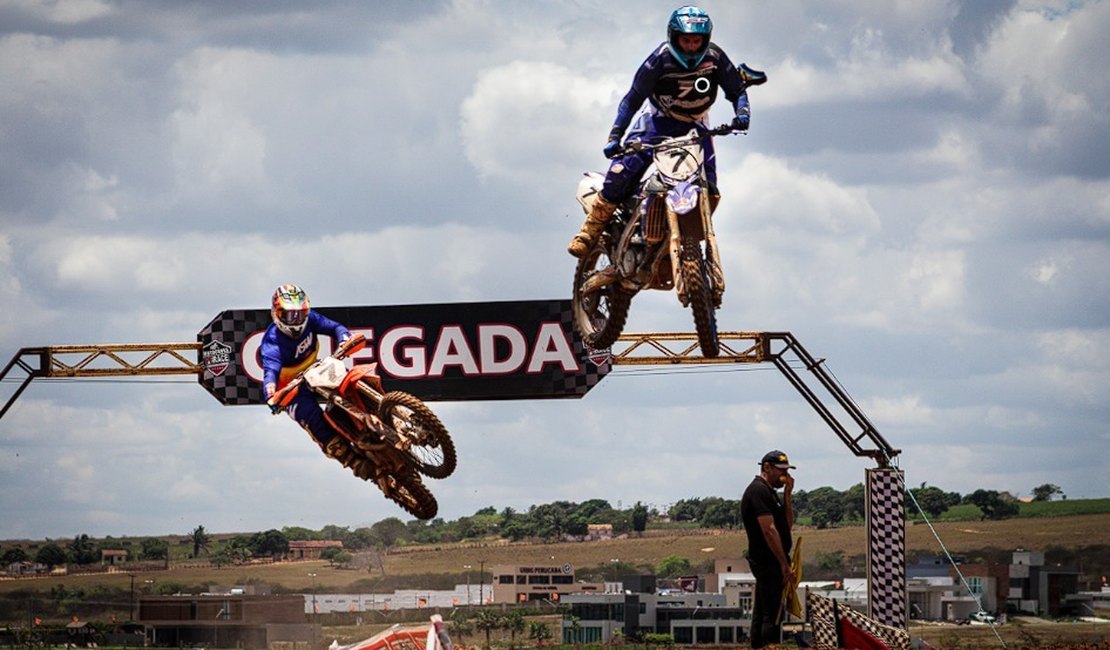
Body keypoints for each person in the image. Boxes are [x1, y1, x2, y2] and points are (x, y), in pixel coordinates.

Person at [567, 5, 765, 258]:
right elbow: (632, 100)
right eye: (686, 40)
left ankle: (686, 237)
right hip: (657, 122)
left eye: (696, 41)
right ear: (673, 37)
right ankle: (590, 231)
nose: (692, 46)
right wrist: (614, 136)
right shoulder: (658, 60)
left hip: (696, 125)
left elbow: (736, 90)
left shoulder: (715, 58)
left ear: (706, 39)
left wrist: (743, 114)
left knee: (711, 188)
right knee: (622, 170)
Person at [260, 284, 375, 480]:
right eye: (289, 315)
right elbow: (270, 373)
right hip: (290, 388)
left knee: (351, 378)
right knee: (313, 419)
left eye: (300, 313)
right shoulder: (272, 343)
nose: (296, 320)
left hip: (316, 369)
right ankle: (353, 461)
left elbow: (335, 327)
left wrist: (344, 340)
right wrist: (272, 396)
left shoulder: (312, 319)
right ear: (276, 314)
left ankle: (382, 408)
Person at [740, 450, 797, 649]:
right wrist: (783, 564)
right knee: (772, 612)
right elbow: (769, 530)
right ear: (767, 468)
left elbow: (785, 526)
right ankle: (768, 644)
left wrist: (787, 495)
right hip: (767, 559)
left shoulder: (770, 492)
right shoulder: (758, 491)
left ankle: (758, 644)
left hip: (773, 559)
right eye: (780, 471)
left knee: (763, 608)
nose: (784, 476)